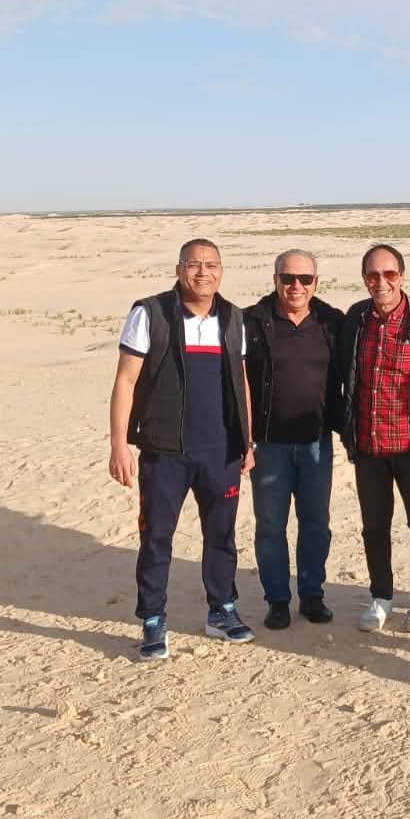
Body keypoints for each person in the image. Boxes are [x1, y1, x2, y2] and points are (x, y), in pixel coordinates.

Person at [108, 238, 255, 660]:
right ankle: (153, 618)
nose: (203, 272)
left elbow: (241, 380)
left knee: (222, 535)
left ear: (221, 271)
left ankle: (222, 610)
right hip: (164, 450)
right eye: (194, 264)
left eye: (211, 265)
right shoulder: (150, 314)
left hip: (221, 451)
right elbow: (125, 381)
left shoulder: (233, 318)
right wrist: (119, 444)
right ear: (179, 270)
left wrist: (246, 440)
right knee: (156, 536)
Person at [334, 243, 410, 634]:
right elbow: (343, 377)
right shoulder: (356, 319)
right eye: (373, 275)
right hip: (369, 445)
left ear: (401, 276)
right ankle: (381, 597)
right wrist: (345, 430)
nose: (381, 283)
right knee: (374, 526)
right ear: (364, 279)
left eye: (389, 274)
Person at [243, 250, 343, 630]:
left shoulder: (332, 321)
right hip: (269, 445)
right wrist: (243, 439)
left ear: (316, 283)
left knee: (316, 523)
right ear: (275, 280)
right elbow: (238, 381)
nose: (295, 286)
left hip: (317, 442)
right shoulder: (252, 321)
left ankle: (312, 595)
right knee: (271, 526)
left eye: (304, 279)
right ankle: (278, 600)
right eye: (287, 278)